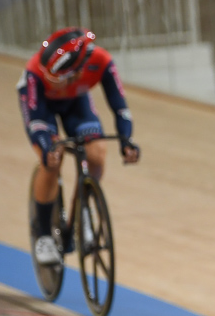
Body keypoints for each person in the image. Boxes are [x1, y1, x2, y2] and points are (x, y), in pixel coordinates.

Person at [18, 26, 140, 266]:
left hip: (77, 103)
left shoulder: (102, 61)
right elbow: (35, 121)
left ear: (78, 70)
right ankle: (43, 235)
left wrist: (126, 141)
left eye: (61, 79)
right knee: (53, 158)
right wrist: (46, 149)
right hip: (42, 107)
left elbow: (121, 108)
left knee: (97, 152)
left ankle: (81, 212)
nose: (58, 84)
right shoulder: (35, 73)